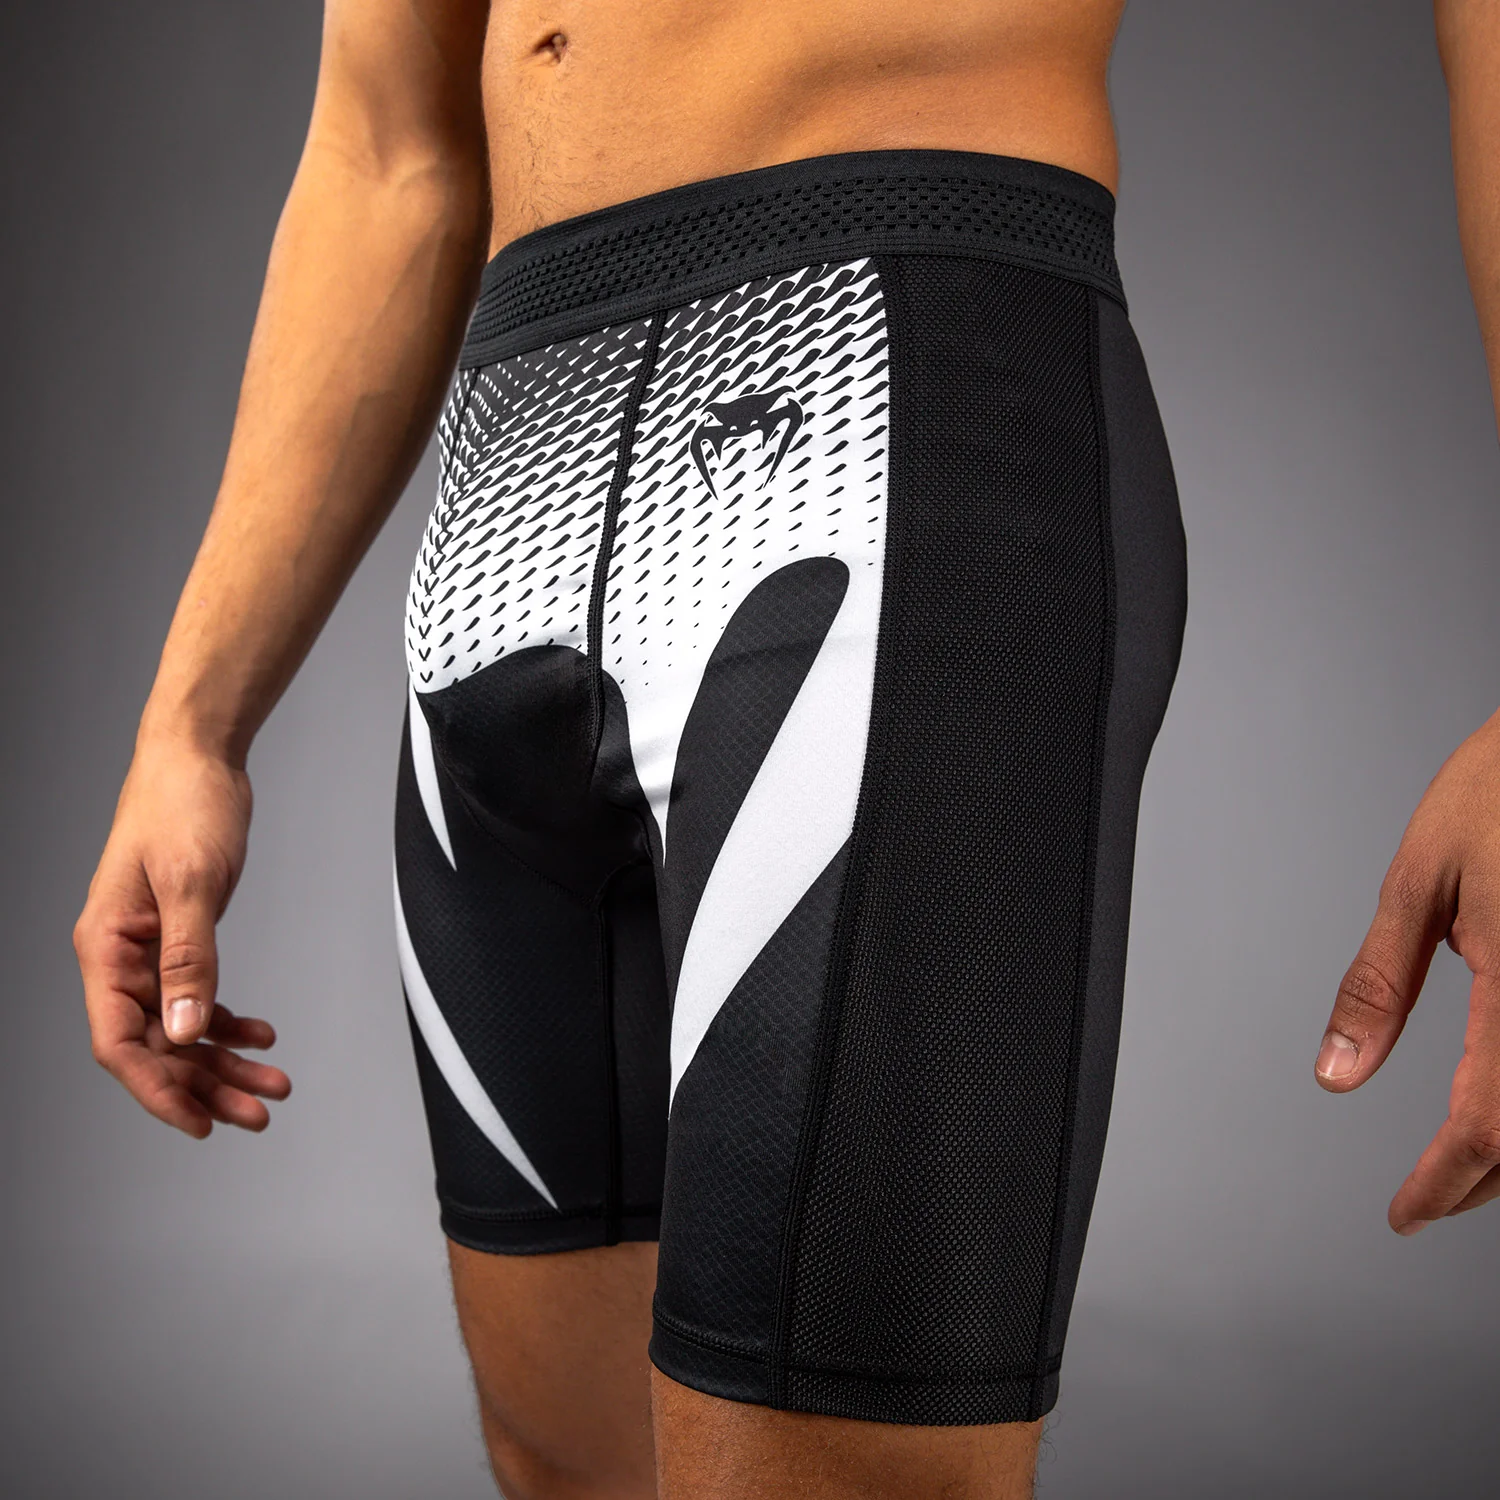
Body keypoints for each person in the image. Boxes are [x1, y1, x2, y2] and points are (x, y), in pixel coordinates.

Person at [71, 3, 1500, 1497]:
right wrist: (193, 726)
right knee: (563, 1463)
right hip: (505, 483)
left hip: (887, 401)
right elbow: (388, 152)